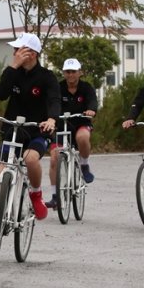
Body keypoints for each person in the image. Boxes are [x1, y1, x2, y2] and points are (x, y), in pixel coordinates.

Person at [0, 32, 60, 239]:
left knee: (31, 159)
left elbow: (54, 100)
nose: (14, 53)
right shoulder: (13, 72)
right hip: (12, 131)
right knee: (0, 172)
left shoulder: (47, 77)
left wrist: (51, 119)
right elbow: (0, 93)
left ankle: (36, 194)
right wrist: (12, 67)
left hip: (37, 130)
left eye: (18, 49)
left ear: (32, 53)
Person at [46, 58, 96, 209]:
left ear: (79, 73)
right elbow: (50, 103)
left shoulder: (86, 88)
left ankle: (84, 165)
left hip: (81, 124)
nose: (71, 75)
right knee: (54, 158)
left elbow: (93, 102)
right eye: (68, 72)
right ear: (63, 73)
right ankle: (55, 196)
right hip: (61, 127)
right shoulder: (57, 88)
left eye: (74, 71)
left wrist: (91, 110)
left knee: (82, 137)